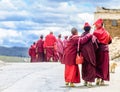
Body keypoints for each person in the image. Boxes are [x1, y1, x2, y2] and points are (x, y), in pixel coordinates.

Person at [93, 18, 112, 85]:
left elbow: (93, 42)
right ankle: (102, 80)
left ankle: (98, 78)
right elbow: (110, 41)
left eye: (96, 25)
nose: (95, 26)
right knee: (104, 65)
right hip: (105, 50)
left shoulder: (95, 32)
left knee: (98, 64)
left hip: (98, 50)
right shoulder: (107, 32)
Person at [80, 22, 98, 87]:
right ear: (90, 29)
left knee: (84, 67)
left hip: (84, 54)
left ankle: (85, 81)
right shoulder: (92, 36)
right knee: (90, 67)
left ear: (84, 29)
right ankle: (89, 82)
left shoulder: (81, 36)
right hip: (91, 54)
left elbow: (79, 45)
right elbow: (96, 45)